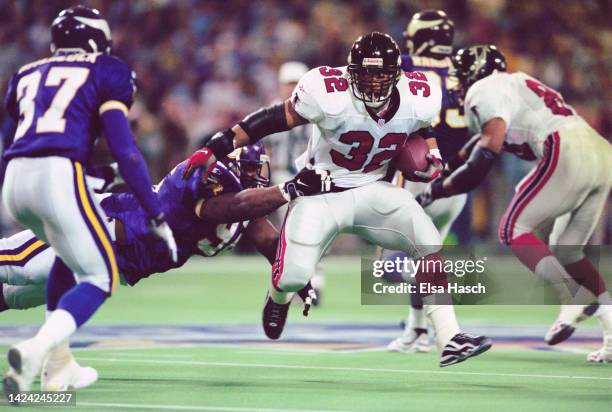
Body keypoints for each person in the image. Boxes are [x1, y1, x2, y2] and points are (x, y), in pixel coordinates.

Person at [183, 32, 492, 367]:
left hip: (374, 189)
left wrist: (431, 154)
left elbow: (421, 126)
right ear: (350, 73)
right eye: (366, 75)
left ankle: (449, 338)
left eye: (382, 75)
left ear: (397, 76)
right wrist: (219, 145)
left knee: (428, 238)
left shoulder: (419, 95)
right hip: (321, 192)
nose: (374, 84)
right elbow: (277, 117)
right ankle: (278, 297)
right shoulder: (328, 91)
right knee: (293, 275)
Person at [0, 143, 332, 390]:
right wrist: (288, 191)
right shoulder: (207, 179)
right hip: (103, 229)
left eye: (257, 171)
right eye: (248, 171)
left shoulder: (246, 209)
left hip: (128, 263)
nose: (255, 178)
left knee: (20, 296)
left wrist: (297, 278)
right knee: (19, 265)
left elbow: (269, 241)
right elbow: (225, 209)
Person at [1, 6, 177, 400]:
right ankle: (35, 351)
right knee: (100, 276)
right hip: (56, 175)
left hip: (15, 179)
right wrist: (154, 210)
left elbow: (15, 142)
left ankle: (58, 368)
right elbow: (125, 148)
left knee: (66, 255)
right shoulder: (107, 69)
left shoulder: (25, 74)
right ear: (98, 39)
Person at [419, 44, 612, 363]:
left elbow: (483, 158)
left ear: (476, 72)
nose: (459, 83)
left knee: (513, 228)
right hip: (599, 151)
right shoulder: (513, 85)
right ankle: (610, 334)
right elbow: (473, 150)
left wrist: (438, 190)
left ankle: (572, 295)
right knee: (568, 249)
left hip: (565, 145)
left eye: (462, 76)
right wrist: (440, 182)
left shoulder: (484, 89)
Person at [385, 9, 471, 354]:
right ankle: (416, 329)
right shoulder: (466, 68)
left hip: (418, 172)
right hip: (457, 180)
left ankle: (439, 311)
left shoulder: (404, 64)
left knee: (391, 264)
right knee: (425, 253)